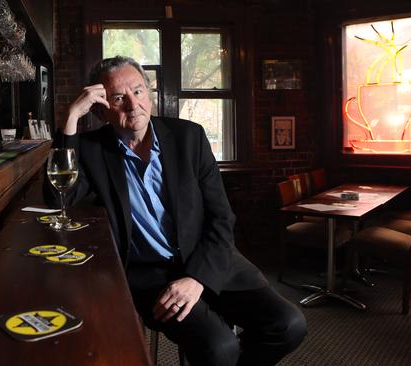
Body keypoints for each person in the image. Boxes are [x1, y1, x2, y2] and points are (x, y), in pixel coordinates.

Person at [44, 56, 306, 366]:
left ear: (150, 94)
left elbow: (222, 218)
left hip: (208, 259)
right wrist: (71, 116)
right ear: (102, 109)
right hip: (151, 276)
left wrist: (196, 278)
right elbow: (58, 197)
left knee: (289, 324)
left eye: (138, 91)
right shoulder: (91, 149)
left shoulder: (189, 138)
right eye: (118, 98)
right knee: (220, 348)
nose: (132, 104)